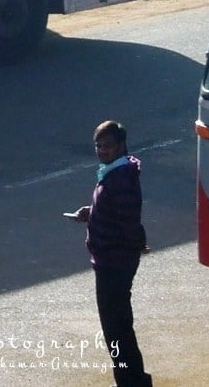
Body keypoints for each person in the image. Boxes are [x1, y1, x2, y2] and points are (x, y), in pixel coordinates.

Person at [72, 119, 152, 387]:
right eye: (98, 145)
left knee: (116, 329)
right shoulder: (115, 173)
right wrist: (91, 214)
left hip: (113, 265)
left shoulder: (119, 179)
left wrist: (133, 248)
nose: (101, 150)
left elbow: (128, 222)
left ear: (120, 146)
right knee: (118, 327)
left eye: (106, 145)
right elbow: (117, 213)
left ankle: (131, 382)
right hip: (112, 262)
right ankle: (133, 380)